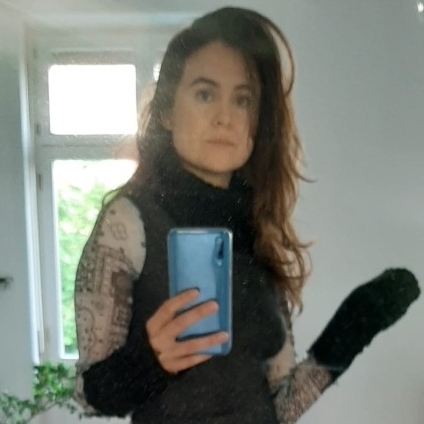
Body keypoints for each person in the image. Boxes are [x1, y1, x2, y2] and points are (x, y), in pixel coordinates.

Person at [73, 7, 420, 424]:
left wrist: (349, 332)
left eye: (243, 99)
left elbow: (279, 405)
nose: (225, 116)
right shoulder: (128, 223)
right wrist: (148, 360)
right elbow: (89, 396)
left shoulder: (258, 234)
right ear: (167, 111)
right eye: (205, 94)